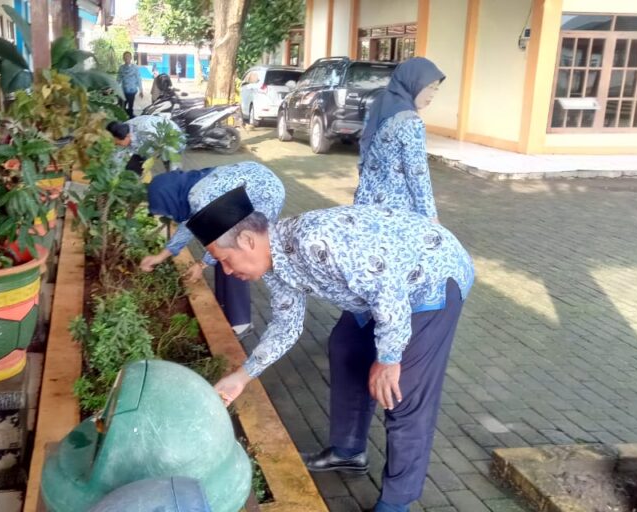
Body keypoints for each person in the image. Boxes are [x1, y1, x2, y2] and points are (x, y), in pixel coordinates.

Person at [190, 187, 474, 512]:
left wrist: (388, 359)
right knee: (345, 347)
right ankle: (348, 451)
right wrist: (242, 377)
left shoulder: (315, 241)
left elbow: (390, 294)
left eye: (225, 261)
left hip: (430, 279)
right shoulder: (274, 263)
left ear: (247, 241)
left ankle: (397, 502)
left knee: (402, 390)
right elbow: (286, 326)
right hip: (376, 289)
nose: (226, 272)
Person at [140, 163, 285, 337]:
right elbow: (189, 226)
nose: (169, 216)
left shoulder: (201, 199)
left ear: (169, 199)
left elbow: (221, 238)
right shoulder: (190, 190)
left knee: (236, 256)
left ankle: (241, 323)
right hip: (253, 181)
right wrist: (161, 256)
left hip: (264, 193)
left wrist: (201, 265)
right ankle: (225, 305)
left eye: (166, 210)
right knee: (226, 257)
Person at [355, 57, 445, 218]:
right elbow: (417, 174)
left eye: (436, 89)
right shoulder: (411, 121)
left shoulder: (379, 104)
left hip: (365, 203)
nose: (432, 94)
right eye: (429, 87)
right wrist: (431, 216)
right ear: (412, 82)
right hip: (395, 212)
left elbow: (364, 151)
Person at [107, 116, 186, 174]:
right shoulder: (120, 130)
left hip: (172, 140)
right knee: (133, 166)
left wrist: (147, 167)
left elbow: (152, 154)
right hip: (145, 143)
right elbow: (119, 155)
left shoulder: (147, 132)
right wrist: (113, 172)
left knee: (172, 170)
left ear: (127, 136)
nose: (116, 145)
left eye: (118, 143)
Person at [117, 51, 144, 118]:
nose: (126, 58)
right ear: (123, 58)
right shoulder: (121, 68)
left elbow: (138, 79)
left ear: (131, 57)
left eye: (128, 56)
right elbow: (118, 79)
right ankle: (124, 116)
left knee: (130, 105)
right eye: (125, 57)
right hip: (123, 90)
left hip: (132, 90)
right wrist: (114, 88)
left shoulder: (135, 67)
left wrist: (141, 90)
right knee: (122, 105)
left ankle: (130, 116)